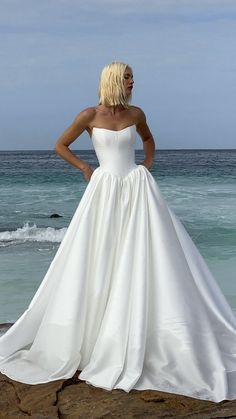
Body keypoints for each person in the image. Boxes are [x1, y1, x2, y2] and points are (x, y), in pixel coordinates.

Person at [1, 61, 236, 403]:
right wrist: (86, 168)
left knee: (146, 254)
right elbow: (60, 145)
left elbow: (148, 139)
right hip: (105, 190)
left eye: (133, 77)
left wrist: (147, 165)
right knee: (99, 255)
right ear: (113, 79)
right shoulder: (88, 115)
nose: (132, 82)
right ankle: (97, 333)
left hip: (137, 189)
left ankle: (146, 331)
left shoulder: (137, 113)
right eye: (128, 77)